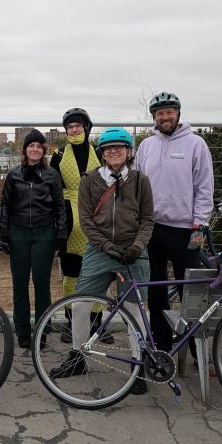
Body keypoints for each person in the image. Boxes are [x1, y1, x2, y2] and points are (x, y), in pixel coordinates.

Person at [48, 127, 154, 396]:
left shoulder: (141, 181)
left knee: (134, 310)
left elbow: (147, 219)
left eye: (119, 147)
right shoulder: (90, 181)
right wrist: (105, 245)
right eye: (108, 149)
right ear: (103, 153)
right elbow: (86, 220)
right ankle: (77, 357)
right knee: (82, 304)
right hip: (99, 250)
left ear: (129, 151)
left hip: (133, 250)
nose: (114, 152)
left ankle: (138, 365)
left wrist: (138, 246)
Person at [134, 91, 214, 354]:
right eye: (159, 113)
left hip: (184, 230)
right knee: (156, 293)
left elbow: (204, 187)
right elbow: (136, 186)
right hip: (152, 228)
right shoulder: (146, 146)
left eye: (169, 112)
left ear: (178, 113)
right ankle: (161, 345)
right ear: (154, 118)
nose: (165, 117)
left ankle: (196, 351)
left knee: (189, 293)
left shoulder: (195, 144)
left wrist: (199, 223)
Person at [0, 129, 66, 348]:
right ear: (25, 150)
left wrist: (61, 234)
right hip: (18, 233)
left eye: (39, 146)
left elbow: (59, 206)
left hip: (44, 233)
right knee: (19, 283)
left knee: (42, 283)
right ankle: (23, 331)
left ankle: (43, 329)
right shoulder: (14, 175)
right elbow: (5, 204)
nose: (35, 149)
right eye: (31, 146)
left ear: (43, 151)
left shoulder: (52, 175)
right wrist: (5, 232)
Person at [51, 108, 103, 342]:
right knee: (71, 276)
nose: (74, 130)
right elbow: (52, 189)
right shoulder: (59, 155)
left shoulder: (101, 152)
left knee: (98, 274)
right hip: (69, 219)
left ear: (86, 127)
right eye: (70, 127)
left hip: (98, 216)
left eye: (78, 126)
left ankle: (96, 326)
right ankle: (72, 324)